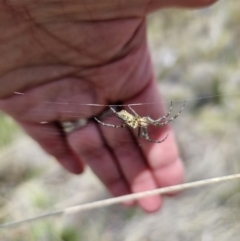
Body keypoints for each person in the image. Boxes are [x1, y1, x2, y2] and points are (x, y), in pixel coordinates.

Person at [0, 0, 217, 212]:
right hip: (122, 113)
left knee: (150, 128)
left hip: (121, 113)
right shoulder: (136, 119)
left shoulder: (138, 120)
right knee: (149, 130)